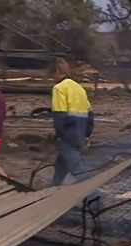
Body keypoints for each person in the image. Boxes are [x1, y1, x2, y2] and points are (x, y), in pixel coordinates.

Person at [50, 58, 94, 187]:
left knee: (78, 171)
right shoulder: (79, 88)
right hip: (80, 134)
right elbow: (90, 115)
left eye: (52, 75)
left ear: (57, 71)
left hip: (68, 136)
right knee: (60, 166)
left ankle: (96, 202)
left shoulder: (59, 88)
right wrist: (86, 135)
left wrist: (58, 134)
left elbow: (59, 115)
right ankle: (53, 191)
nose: (52, 78)